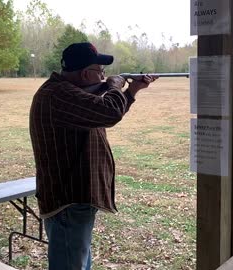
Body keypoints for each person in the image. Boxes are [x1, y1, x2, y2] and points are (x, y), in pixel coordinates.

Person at [29, 42, 157, 270]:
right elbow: (109, 112)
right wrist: (115, 87)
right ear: (86, 74)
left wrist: (132, 91)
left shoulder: (66, 92)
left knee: (78, 261)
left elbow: (100, 113)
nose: (104, 75)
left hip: (73, 196)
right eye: (101, 71)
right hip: (68, 198)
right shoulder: (59, 94)